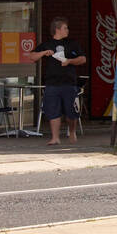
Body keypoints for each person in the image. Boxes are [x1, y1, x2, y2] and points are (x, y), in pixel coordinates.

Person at [28, 16, 87, 144]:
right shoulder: (47, 44)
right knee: (53, 111)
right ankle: (55, 137)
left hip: (69, 83)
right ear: (57, 29)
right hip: (52, 84)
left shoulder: (72, 44)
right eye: (65, 28)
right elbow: (32, 56)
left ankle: (72, 132)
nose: (67, 30)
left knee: (71, 111)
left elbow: (83, 59)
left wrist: (70, 61)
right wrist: (44, 53)